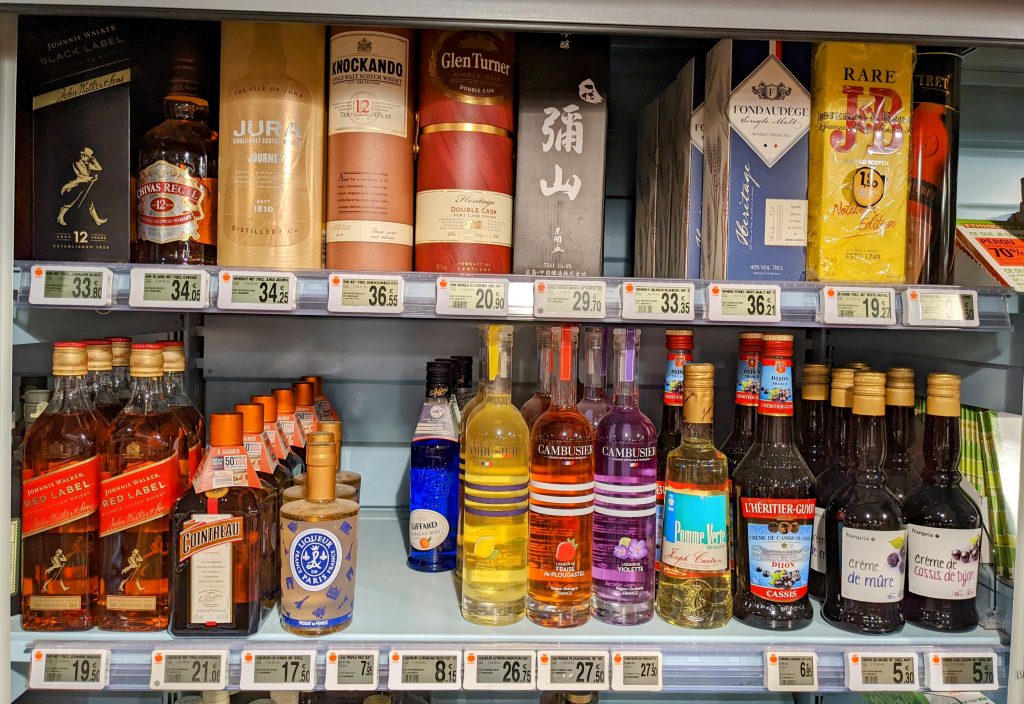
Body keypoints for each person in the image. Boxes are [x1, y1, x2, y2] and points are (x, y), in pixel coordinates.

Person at [58, 147, 107, 226]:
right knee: (70, 201)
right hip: (76, 185)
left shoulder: (87, 164)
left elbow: (99, 168)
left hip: (84, 186)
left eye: (88, 156)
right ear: (82, 155)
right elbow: (81, 176)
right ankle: (60, 217)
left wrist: (95, 161)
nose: (86, 157)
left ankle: (97, 220)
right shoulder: (77, 163)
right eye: (85, 155)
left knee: (89, 202)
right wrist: (91, 178)